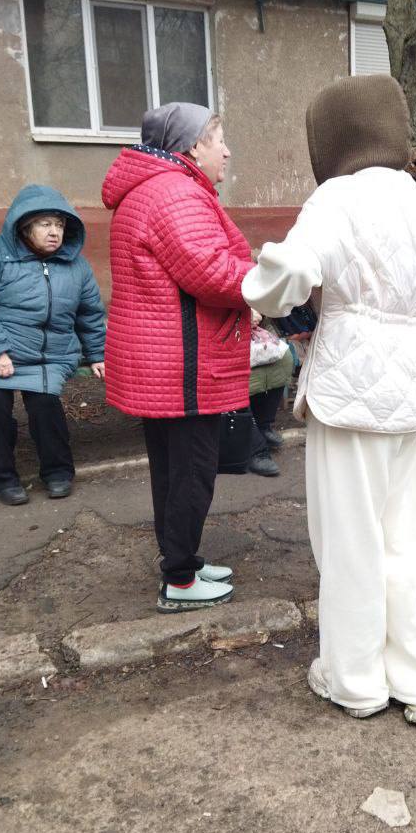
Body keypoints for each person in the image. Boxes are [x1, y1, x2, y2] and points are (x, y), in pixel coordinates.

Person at [244, 75, 416, 724]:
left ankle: (357, 683)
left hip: (348, 394)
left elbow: (289, 278)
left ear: (331, 137)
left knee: (350, 546)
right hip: (411, 393)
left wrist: (265, 285)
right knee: (404, 543)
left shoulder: (335, 199)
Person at [102, 103, 251, 612]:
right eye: (218, 139)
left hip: (160, 360)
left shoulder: (151, 187)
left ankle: (180, 560)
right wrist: (265, 284)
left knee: (170, 469)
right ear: (190, 146)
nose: (226, 151)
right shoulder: (176, 192)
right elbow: (212, 272)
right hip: (183, 364)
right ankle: (180, 581)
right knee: (192, 472)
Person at [0, 186, 106, 505]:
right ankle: (2, 479)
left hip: (48, 356)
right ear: (23, 226)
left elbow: (89, 313)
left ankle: (58, 472)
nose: (54, 232)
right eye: (45, 224)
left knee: (45, 404)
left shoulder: (76, 265)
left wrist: (97, 353)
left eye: (60, 225)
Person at [246, 312, 291, 477]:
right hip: (223, 332)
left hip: (250, 330)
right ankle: (255, 449)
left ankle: (264, 424)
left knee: (284, 359)